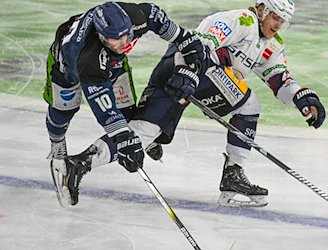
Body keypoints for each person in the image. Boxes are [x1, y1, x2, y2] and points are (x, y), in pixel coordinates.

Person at [65, 0, 326, 207]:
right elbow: (197, 43)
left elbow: (279, 79)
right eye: (274, 16)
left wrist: (302, 97)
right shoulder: (240, 20)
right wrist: (188, 71)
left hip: (189, 76)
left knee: (145, 130)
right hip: (183, 68)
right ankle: (233, 173)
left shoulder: (272, 45)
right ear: (261, 9)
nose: (278, 24)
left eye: (283, 20)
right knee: (248, 106)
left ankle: (79, 163)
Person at [44, 1, 208, 207]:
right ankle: (58, 148)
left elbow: (185, 39)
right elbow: (107, 112)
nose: (124, 43)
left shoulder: (143, 15)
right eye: (116, 40)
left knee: (129, 113)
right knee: (63, 111)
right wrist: (123, 139)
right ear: (101, 37)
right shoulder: (88, 60)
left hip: (112, 64)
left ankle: (140, 137)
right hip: (67, 69)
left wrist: (192, 67)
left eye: (127, 36)